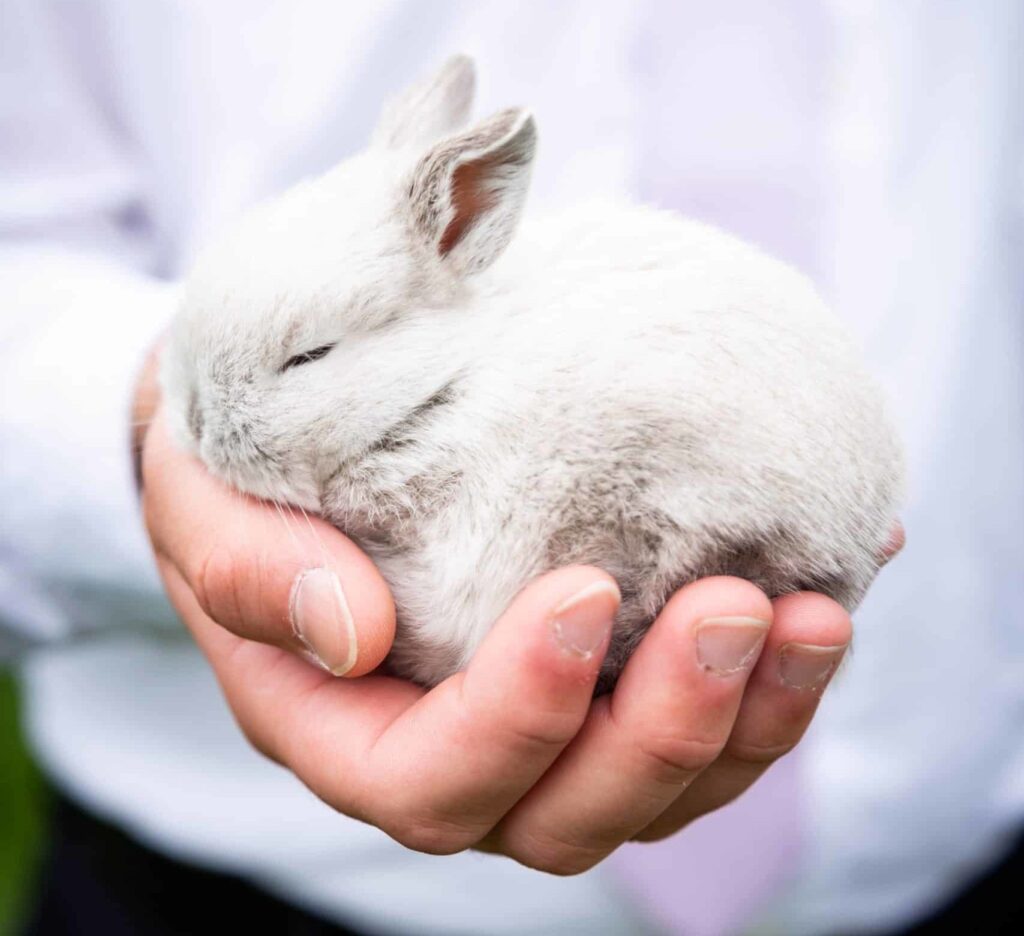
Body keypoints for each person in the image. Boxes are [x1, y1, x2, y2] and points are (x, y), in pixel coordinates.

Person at [3, 2, 1020, 935]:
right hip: (232, 876)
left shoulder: (508, 337)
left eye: (309, 361)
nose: (209, 432)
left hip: (956, 811)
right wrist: (130, 417)